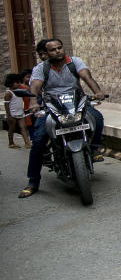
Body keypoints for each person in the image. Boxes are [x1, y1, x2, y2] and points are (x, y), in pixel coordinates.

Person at [17, 38, 106, 198]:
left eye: (59, 48)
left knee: (97, 118)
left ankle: (93, 149)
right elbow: (35, 86)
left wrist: (97, 91)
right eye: (53, 50)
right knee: (38, 140)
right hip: (52, 106)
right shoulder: (41, 69)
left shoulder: (74, 62)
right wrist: (33, 103)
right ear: (46, 53)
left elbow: (86, 76)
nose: (57, 51)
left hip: (76, 102)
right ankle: (33, 181)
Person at [4, 73, 30, 148]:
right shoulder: (8, 93)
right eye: (17, 82)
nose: (19, 84)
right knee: (12, 129)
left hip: (20, 112)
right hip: (12, 114)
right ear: (11, 83)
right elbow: (6, 105)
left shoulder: (19, 90)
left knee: (23, 127)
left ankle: (27, 143)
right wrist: (9, 115)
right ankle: (11, 143)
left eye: (19, 82)